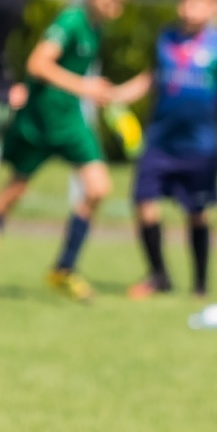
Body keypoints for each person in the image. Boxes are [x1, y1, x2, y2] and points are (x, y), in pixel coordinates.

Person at [0, 0, 142, 301]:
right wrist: (84, 87)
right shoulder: (71, 21)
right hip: (40, 120)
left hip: (70, 121)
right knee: (13, 193)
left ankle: (63, 269)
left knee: (98, 187)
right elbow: (38, 64)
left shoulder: (96, 26)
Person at [124, 0, 217, 299]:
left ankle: (200, 285)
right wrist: (118, 94)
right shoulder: (165, 38)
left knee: (196, 212)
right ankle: (159, 276)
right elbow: (152, 78)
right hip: (160, 140)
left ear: (213, 8)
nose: (190, 7)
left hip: (199, 144)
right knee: (144, 201)